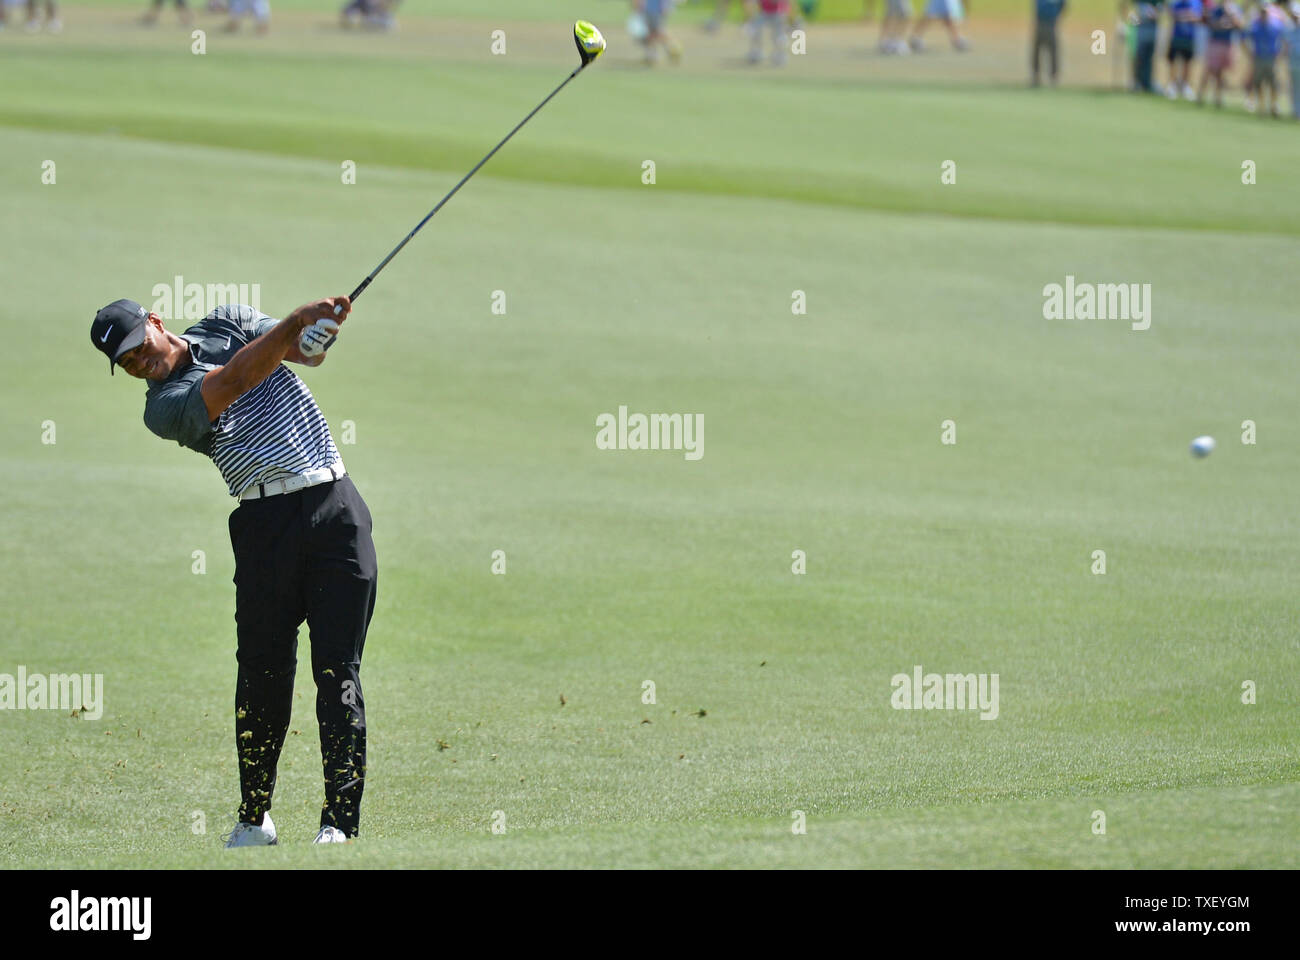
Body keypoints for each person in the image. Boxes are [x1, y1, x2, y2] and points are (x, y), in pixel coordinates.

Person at [89, 297, 378, 847]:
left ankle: (339, 824)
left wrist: (317, 333)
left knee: (338, 670)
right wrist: (296, 321)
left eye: (137, 347)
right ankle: (254, 819)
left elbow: (301, 354)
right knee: (262, 673)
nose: (136, 363)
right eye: (123, 363)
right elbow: (238, 379)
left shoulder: (230, 320)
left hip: (335, 508)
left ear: (155, 322)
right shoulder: (163, 407)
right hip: (263, 523)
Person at [1198, 0, 1244, 104]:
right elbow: (1212, 25)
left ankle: (1218, 98)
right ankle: (1200, 96)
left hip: (1227, 44)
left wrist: (1230, 14)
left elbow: (1239, 25)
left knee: (1221, 72)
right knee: (1210, 70)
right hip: (1215, 43)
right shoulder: (1215, 10)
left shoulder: (1235, 10)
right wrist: (1225, 25)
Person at [1245, 0, 1285, 114]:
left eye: (1265, 11)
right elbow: (1245, 37)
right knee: (1259, 82)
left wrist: (1280, 53)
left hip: (1271, 58)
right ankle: (1261, 105)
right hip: (1259, 58)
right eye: (1262, 11)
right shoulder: (1255, 26)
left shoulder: (1276, 25)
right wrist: (1249, 52)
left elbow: (1284, 39)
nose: (1264, 13)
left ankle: (1274, 105)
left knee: (1273, 83)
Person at [1166, 0, 1204, 98]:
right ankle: (1173, 85)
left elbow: (1197, 17)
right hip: (1176, 37)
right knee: (1173, 61)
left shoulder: (1196, 3)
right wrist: (1187, 15)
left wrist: (1183, 16)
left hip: (1189, 38)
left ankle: (1185, 86)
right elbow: (1172, 14)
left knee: (1187, 62)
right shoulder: (1176, 3)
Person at [636, 0, 683, 65]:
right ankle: (652, 56)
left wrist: (665, 7)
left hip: (657, 10)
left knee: (658, 32)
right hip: (649, 10)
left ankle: (673, 49)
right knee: (651, 33)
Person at [1032, 0, 1067, 85]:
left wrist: (1056, 15)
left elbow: (1063, 5)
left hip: (1051, 24)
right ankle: (1036, 77)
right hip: (1040, 23)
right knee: (1037, 50)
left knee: (1052, 51)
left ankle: (1053, 77)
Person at [1286, 2, 1300, 117]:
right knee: (1294, 88)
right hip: (1293, 63)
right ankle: (1296, 111)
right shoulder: (1289, 29)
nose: (1295, 18)